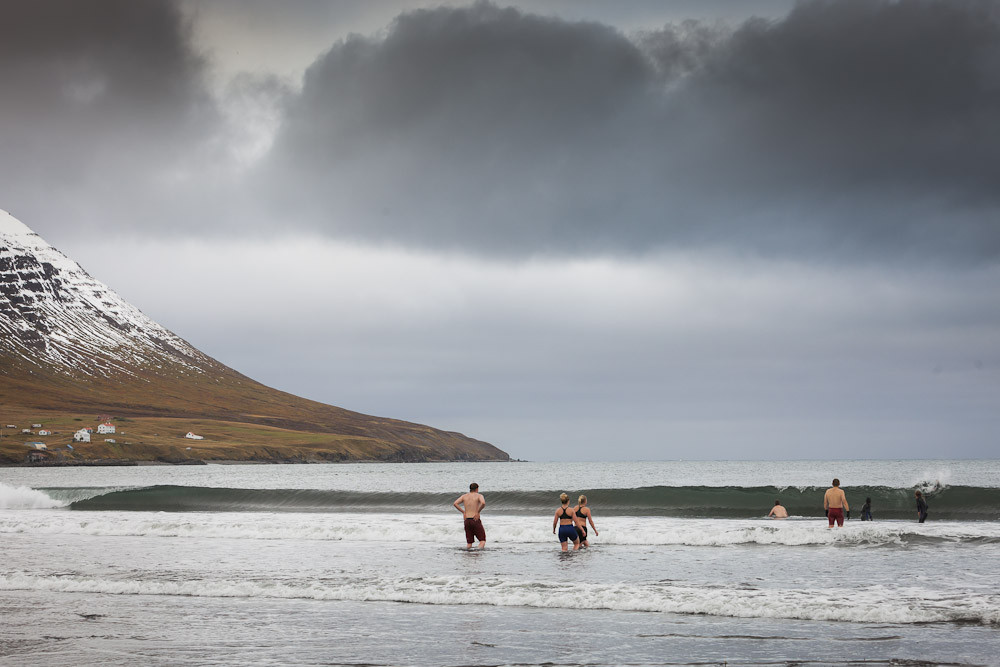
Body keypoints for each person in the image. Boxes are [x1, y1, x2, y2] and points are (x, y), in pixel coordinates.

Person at [453, 482, 486, 549]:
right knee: (482, 540)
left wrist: (463, 512)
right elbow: (483, 503)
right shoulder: (479, 496)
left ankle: (468, 555)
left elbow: (455, 503)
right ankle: (478, 552)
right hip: (475, 519)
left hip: (467, 520)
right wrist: (477, 512)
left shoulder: (464, 496)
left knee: (469, 542)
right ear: (477, 489)